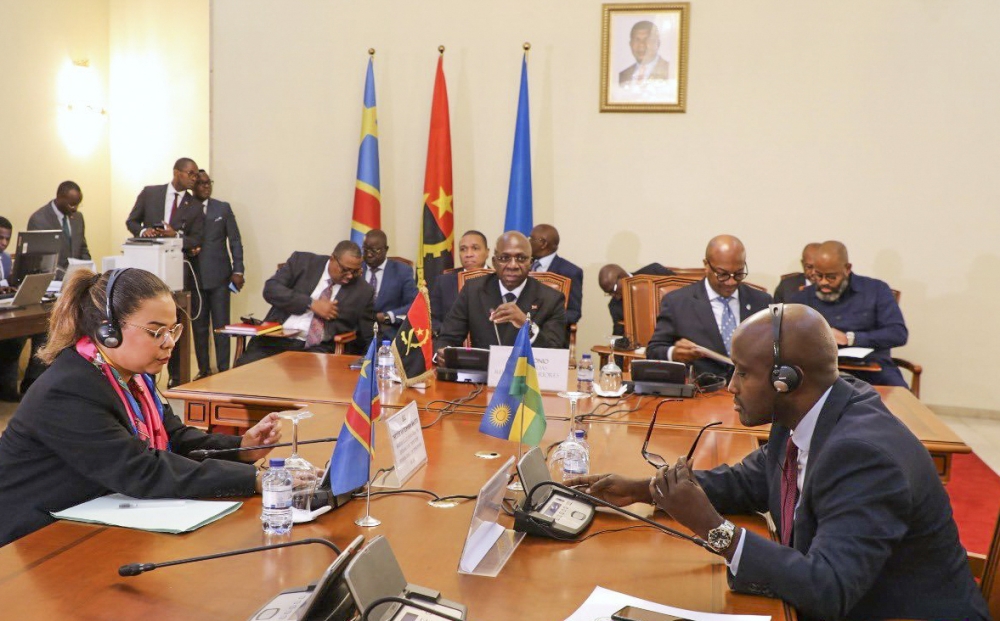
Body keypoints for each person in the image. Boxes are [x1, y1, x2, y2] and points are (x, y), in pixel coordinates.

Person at [571, 304, 989, 620]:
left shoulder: (862, 456)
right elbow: (746, 482)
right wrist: (644, 489)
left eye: (742, 373)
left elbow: (829, 588)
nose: (731, 385)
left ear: (787, 380)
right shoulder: (808, 410)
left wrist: (715, 531)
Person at [0, 268, 286, 547]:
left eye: (173, 330)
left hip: (90, 515)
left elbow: (175, 437)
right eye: (156, 332)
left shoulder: (132, 377)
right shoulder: (68, 389)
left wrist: (241, 447)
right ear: (108, 331)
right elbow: (141, 469)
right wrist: (255, 479)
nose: (170, 342)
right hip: (31, 538)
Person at [125, 157, 206, 387]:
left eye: (195, 174)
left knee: (175, 325)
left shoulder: (196, 205)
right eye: (190, 173)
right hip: (148, 268)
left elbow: (197, 238)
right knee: (150, 326)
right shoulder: (150, 193)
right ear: (177, 172)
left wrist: (176, 236)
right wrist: (144, 231)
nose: (194, 178)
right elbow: (131, 221)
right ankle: (145, 377)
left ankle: (177, 379)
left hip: (177, 272)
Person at [646, 235, 771, 378]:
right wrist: (674, 353)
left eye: (738, 274)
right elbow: (653, 350)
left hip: (752, 392)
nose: (730, 282)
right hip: (703, 392)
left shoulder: (761, 302)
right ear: (706, 265)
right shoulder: (677, 302)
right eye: (722, 274)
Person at [235, 241, 375, 366]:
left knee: (305, 379)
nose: (350, 276)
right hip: (275, 340)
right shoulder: (302, 262)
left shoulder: (363, 291)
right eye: (345, 270)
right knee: (243, 372)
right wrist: (310, 303)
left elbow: (366, 336)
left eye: (355, 271)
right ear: (332, 258)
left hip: (318, 348)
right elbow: (271, 290)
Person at [790, 240, 908, 387]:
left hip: (872, 368)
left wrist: (850, 338)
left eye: (831, 277)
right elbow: (787, 337)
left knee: (901, 400)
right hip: (820, 370)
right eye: (818, 276)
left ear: (847, 268)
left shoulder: (876, 290)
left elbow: (898, 333)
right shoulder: (803, 298)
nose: (824, 283)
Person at [436, 231, 567, 353]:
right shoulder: (473, 291)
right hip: (483, 373)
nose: (513, 265)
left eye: (521, 258)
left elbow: (555, 351)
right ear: (494, 262)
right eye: (504, 258)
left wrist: (526, 325)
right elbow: (448, 337)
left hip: (527, 374)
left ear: (530, 263)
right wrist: (443, 353)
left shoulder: (552, 299)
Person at [191, 171, 244, 378]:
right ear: (193, 186)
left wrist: (238, 269)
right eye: (201, 183)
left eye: (208, 183)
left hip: (221, 277)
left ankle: (224, 370)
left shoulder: (222, 208)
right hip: (194, 278)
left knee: (221, 327)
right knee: (200, 327)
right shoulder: (187, 209)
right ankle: (204, 370)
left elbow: (235, 241)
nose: (206, 186)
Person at [360, 229, 418, 341]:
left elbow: (414, 304)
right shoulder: (356, 269)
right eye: (365, 249)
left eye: (374, 250)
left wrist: (388, 316)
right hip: (358, 333)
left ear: (386, 249)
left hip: (389, 332)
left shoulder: (402, 271)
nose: (369, 254)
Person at [430, 230, 489, 336]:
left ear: (487, 252)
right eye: (463, 249)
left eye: (475, 248)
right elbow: (432, 318)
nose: (468, 254)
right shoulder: (443, 282)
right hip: (452, 343)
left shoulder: (497, 278)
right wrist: (448, 332)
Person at [26, 180, 91, 270]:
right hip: (53, 280)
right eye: (71, 204)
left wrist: (88, 270)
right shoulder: (39, 220)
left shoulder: (78, 217)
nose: (75, 209)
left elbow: (82, 248)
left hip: (76, 279)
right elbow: (41, 260)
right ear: (59, 197)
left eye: (78, 204)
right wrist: (66, 275)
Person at [598, 262, 674, 337]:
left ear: (622, 276)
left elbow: (683, 293)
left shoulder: (654, 271)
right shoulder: (614, 305)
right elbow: (619, 335)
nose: (614, 296)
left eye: (613, 290)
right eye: (608, 293)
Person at [528, 224, 583, 326]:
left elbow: (574, 313)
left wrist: (542, 319)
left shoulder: (570, 272)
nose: (527, 242)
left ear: (543, 243)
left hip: (552, 334)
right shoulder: (524, 267)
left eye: (531, 239)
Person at [0, 217, 21, 401]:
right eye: (0, 238)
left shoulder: (6, 259)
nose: (4, 243)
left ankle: (11, 388)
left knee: (18, 335)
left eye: (7, 238)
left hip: (6, 309)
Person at [618, 20, 671, 86]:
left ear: (658, 43)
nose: (641, 45)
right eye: (637, 40)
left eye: (647, 39)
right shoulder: (623, 76)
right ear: (630, 44)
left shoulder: (671, 71)